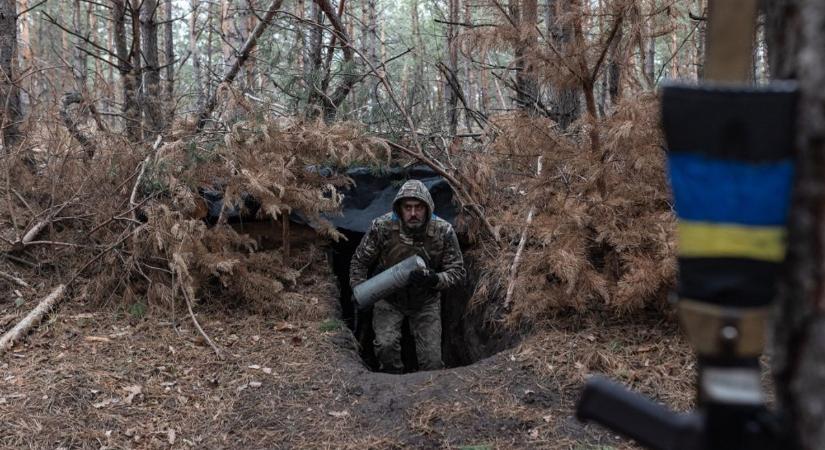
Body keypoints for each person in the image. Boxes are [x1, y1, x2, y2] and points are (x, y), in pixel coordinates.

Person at [350, 179, 466, 373]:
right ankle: (394, 387)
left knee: (432, 364)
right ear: (399, 208)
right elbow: (359, 262)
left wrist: (435, 279)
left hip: (426, 301)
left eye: (419, 207)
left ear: (428, 208)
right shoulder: (382, 227)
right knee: (385, 348)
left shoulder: (443, 230)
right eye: (408, 207)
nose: (413, 214)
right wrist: (361, 289)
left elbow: (457, 271)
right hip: (388, 298)